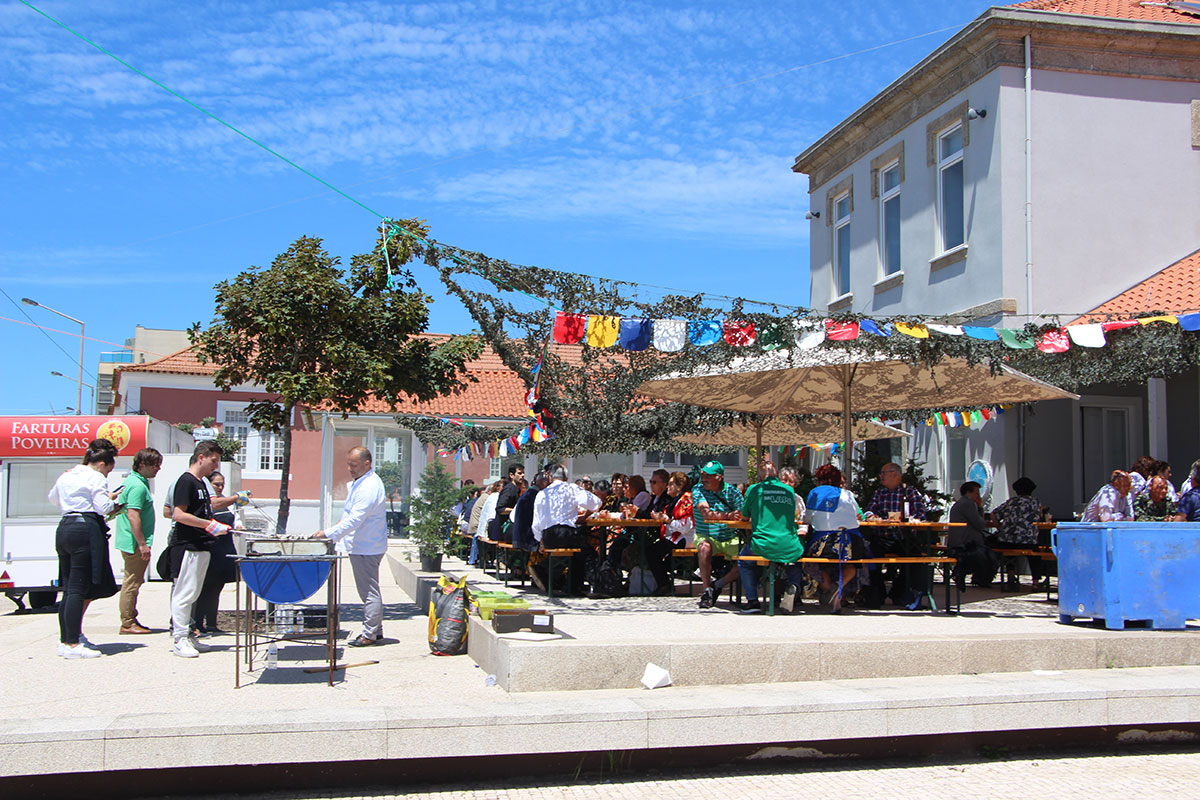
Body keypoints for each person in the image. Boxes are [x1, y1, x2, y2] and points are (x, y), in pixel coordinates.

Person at [49, 439, 122, 658]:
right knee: (77, 589)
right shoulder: (95, 477)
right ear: (102, 464)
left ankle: (66, 639)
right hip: (85, 528)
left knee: (69, 586)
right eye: (109, 470)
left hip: (65, 527)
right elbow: (104, 507)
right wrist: (111, 499)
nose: (107, 475)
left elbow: (53, 499)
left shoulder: (67, 475)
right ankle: (72, 643)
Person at [311, 446, 387, 647]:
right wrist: (334, 529)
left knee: (368, 592)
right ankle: (375, 630)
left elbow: (356, 519)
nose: (349, 468)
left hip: (366, 546)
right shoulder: (361, 483)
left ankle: (369, 634)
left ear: (366, 463)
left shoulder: (369, 486)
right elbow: (349, 515)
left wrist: (329, 534)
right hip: (364, 544)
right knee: (370, 590)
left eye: (353, 465)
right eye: (348, 464)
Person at [167, 441, 233, 658]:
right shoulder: (185, 482)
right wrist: (208, 525)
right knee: (183, 594)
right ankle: (179, 637)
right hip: (187, 546)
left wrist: (214, 526)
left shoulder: (202, 483)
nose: (215, 466)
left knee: (193, 593)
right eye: (213, 460)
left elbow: (205, 512)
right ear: (201, 457)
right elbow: (178, 514)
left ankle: (189, 634)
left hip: (202, 545)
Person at [738, 462, 806, 614]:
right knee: (792, 560)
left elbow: (744, 515)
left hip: (763, 544)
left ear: (760, 477)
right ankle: (793, 585)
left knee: (744, 560)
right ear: (776, 475)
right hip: (789, 543)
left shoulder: (754, 489)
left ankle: (753, 601)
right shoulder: (789, 490)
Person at [803, 464, 868, 613]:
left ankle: (829, 587)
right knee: (852, 566)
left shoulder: (815, 492)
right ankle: (837, 591)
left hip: (824, 542)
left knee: (809, 562)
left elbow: (807, 518)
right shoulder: (848, 494)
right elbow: (858, 516)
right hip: (851, 542)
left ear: (820, 480)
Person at [114, 447, 162, 635]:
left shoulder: (135, 482)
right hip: (134, 543)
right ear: (142, 465)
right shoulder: (137, 486)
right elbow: (134, 516)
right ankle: (127, 622)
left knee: (134, 581)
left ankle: (131, 618)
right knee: (132, 582)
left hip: (131, 540)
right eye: (154, 465)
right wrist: (142, 544)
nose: (157, 469)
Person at [531, 464, 601, 595]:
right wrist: (586, 514)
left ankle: (570, 585)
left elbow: (536, 523)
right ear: (567, 477)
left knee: (576, 553)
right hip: (566, 533)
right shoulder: (572, 488)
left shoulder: (542, 494)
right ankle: (595, 586)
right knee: (588, 553)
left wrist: (540, 540)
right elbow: (596, 503)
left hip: (548, 536)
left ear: (550, 477)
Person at [864, 462, 928, 605]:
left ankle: (899, 593)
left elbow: (920, 514)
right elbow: (868, 511)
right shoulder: (879, 492)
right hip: (883, 537)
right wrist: (871, 516)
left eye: (883, 473)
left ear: (895, 475)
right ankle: (877, 594)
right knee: (871, 556)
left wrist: (914, 520)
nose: (881, 476)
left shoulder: (909, 492)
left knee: (914, 559)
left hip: (903, 537)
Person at [191, 470, 240, 636]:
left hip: (225, 547)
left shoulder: (227, 501)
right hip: (211, 547)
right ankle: (197, 622)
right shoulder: (207, 502)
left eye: (222, 484)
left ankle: (212, 622)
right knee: (204, 587)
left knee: (217, 587)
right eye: (216, 484)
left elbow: (235, 519)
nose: (219, 487)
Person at [693, 461, 744, 609]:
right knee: (704, 548)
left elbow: (743, 513)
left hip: (731, 537)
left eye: (708, 476)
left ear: (719, 477)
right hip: (707, 535)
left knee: (750, 557)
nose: (704, 479)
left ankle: (718, 584)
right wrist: (729, 515)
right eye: (703, 475)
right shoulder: (698, 489)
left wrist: (740, 516)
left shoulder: (732, 492)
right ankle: (707, 590)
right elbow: (706, 514)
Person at [990, 476, 1045, 589]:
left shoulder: (1011, 502)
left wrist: (999, 527)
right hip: (1028, 541)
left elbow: (994, 514)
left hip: (1007, 540)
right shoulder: (1036, 502)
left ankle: (1010, 572)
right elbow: (1041, 518)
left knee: (1008, 548)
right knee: (1035, 552)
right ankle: (1035, 581)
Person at [947, 481, 998, 590]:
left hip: (962, 542)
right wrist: (980, 508)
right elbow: (979, 524)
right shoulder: (968, 504)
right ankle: (981, 578)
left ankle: (969, 575)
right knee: (990, 555)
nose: (978, 495)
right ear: (968, 492)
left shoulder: (960, 503)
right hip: (966, 544)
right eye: (976, 492)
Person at [663, 472, 695, 547]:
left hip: (686, 539)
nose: (667, 487)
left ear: (680, 486)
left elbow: (685, 527)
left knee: (651, 551)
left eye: (670, 484)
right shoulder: (675, 501)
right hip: (675, 539)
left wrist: (668, 521)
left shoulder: (687, 500)